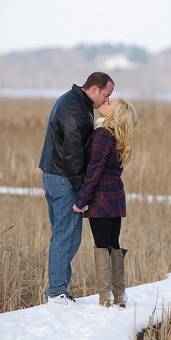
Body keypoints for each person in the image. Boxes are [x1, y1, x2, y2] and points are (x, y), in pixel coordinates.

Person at [38, 72, 114, 305]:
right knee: (67, 237)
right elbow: (73, 155)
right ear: (94, 89)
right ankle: (57, 293)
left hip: (53, 175)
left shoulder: (71, 100)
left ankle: (58, 290)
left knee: (62, 235)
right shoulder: (76, 111)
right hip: (63, 179)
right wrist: (83, 192)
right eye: (106, 95)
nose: (107, 100)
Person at [73, 98, 137, 308]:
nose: (105, 102)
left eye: (111, 104)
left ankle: (106, 298)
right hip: (116, 197)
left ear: (113, 115)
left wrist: (81, 199)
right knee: (113, 244)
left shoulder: (102, 134)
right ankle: (119, 297)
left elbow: (94, 171)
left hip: (101, 198)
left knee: (102, 245)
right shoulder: (119, 135)